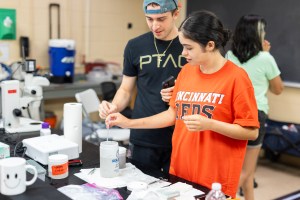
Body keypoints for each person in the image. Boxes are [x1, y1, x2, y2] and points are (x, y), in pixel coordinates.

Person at [106, 10, 260, 197]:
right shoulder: (187, 72)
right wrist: (128, 123)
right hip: (181, 171)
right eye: (182, 46)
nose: (183, 53)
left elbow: (251, 132)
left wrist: (210, 124)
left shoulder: (237, 78)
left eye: (189, 47)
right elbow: (172, 115)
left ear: (210, 45)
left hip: (216, 177)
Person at [98, 0, 186, 175]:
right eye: (149, 19)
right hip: (143, 136)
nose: (155, 26)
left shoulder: (188, 45)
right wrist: (114, 106)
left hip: (180, 136)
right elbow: (125, 89)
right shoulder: (135, 46)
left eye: (161, 19)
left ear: (176, 14)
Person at [226, 14, 283, 200]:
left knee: (244, 172)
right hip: (254, 115)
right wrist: (267, 55)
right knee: (247, 171)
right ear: (256, 33)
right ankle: (223, 195)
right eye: (263, 30)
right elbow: (278, 89)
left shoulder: (229, 56)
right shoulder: (265, 58)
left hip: (232, 115)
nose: (265, 33)